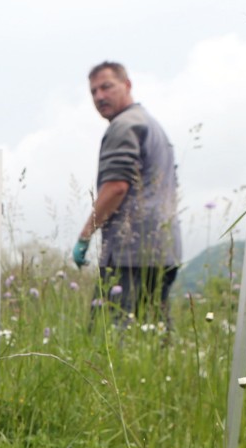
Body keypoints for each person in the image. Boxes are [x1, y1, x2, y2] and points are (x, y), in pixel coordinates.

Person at [72, 61, 182, 331]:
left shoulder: (124, 126)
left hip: (130, 252)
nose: (99, 97)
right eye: (94, 92)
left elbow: (116, 186)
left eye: (106, 87)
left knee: (109, 337)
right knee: (152, 339)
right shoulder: (152, 125)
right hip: (163, 249)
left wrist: (85, 236)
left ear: (127, 85)